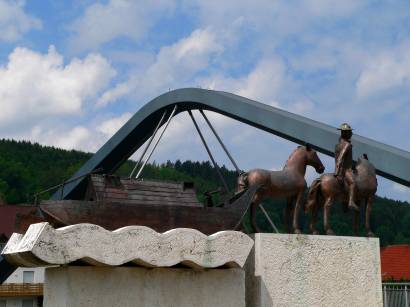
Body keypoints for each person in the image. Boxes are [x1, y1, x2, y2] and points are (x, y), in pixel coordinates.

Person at [334, 123, 359, 211]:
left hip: (340, 169)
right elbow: (340, 158)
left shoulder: (337, 145)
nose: (351, 134)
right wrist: (337, 173)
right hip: (345, 170)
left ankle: (345, 201)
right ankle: (351, 201)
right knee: (353, 183)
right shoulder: (347, 145)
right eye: (350, 132)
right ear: (346, 133)